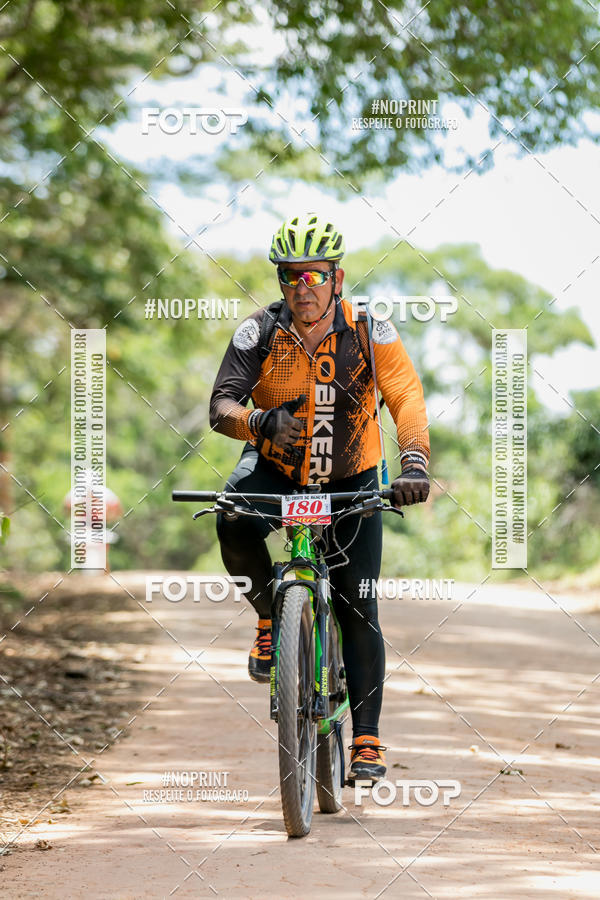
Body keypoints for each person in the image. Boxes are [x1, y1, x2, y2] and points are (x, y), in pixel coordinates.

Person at [209, 213, 430, 783]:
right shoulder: (257, 332)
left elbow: (405, 397)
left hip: (354, 476)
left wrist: (413, 463)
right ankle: (268, 619)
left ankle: (367, 740)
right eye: (290, 277)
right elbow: (221, 407)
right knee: (232, 518)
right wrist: (258, 421)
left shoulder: (369, 330)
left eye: (313, 276)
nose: (301, 289)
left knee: (359, 604)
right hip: (280, 470)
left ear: (337, 276)